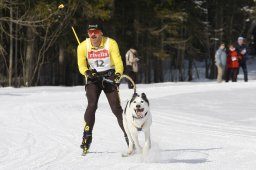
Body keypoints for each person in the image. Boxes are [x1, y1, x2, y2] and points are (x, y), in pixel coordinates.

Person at [77, 22, 127, 155]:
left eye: (96, 32)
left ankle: (129, 136)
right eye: (90, 32)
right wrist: (87, 72)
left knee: (116, 108)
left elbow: (118, 62)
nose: (93, 34)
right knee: (92, 105)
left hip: (109, 75)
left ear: (101, 33)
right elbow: (81, 66)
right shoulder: (83, 46)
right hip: (93, 78)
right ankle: (86, 136)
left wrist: (117, 75)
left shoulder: (111, 43)